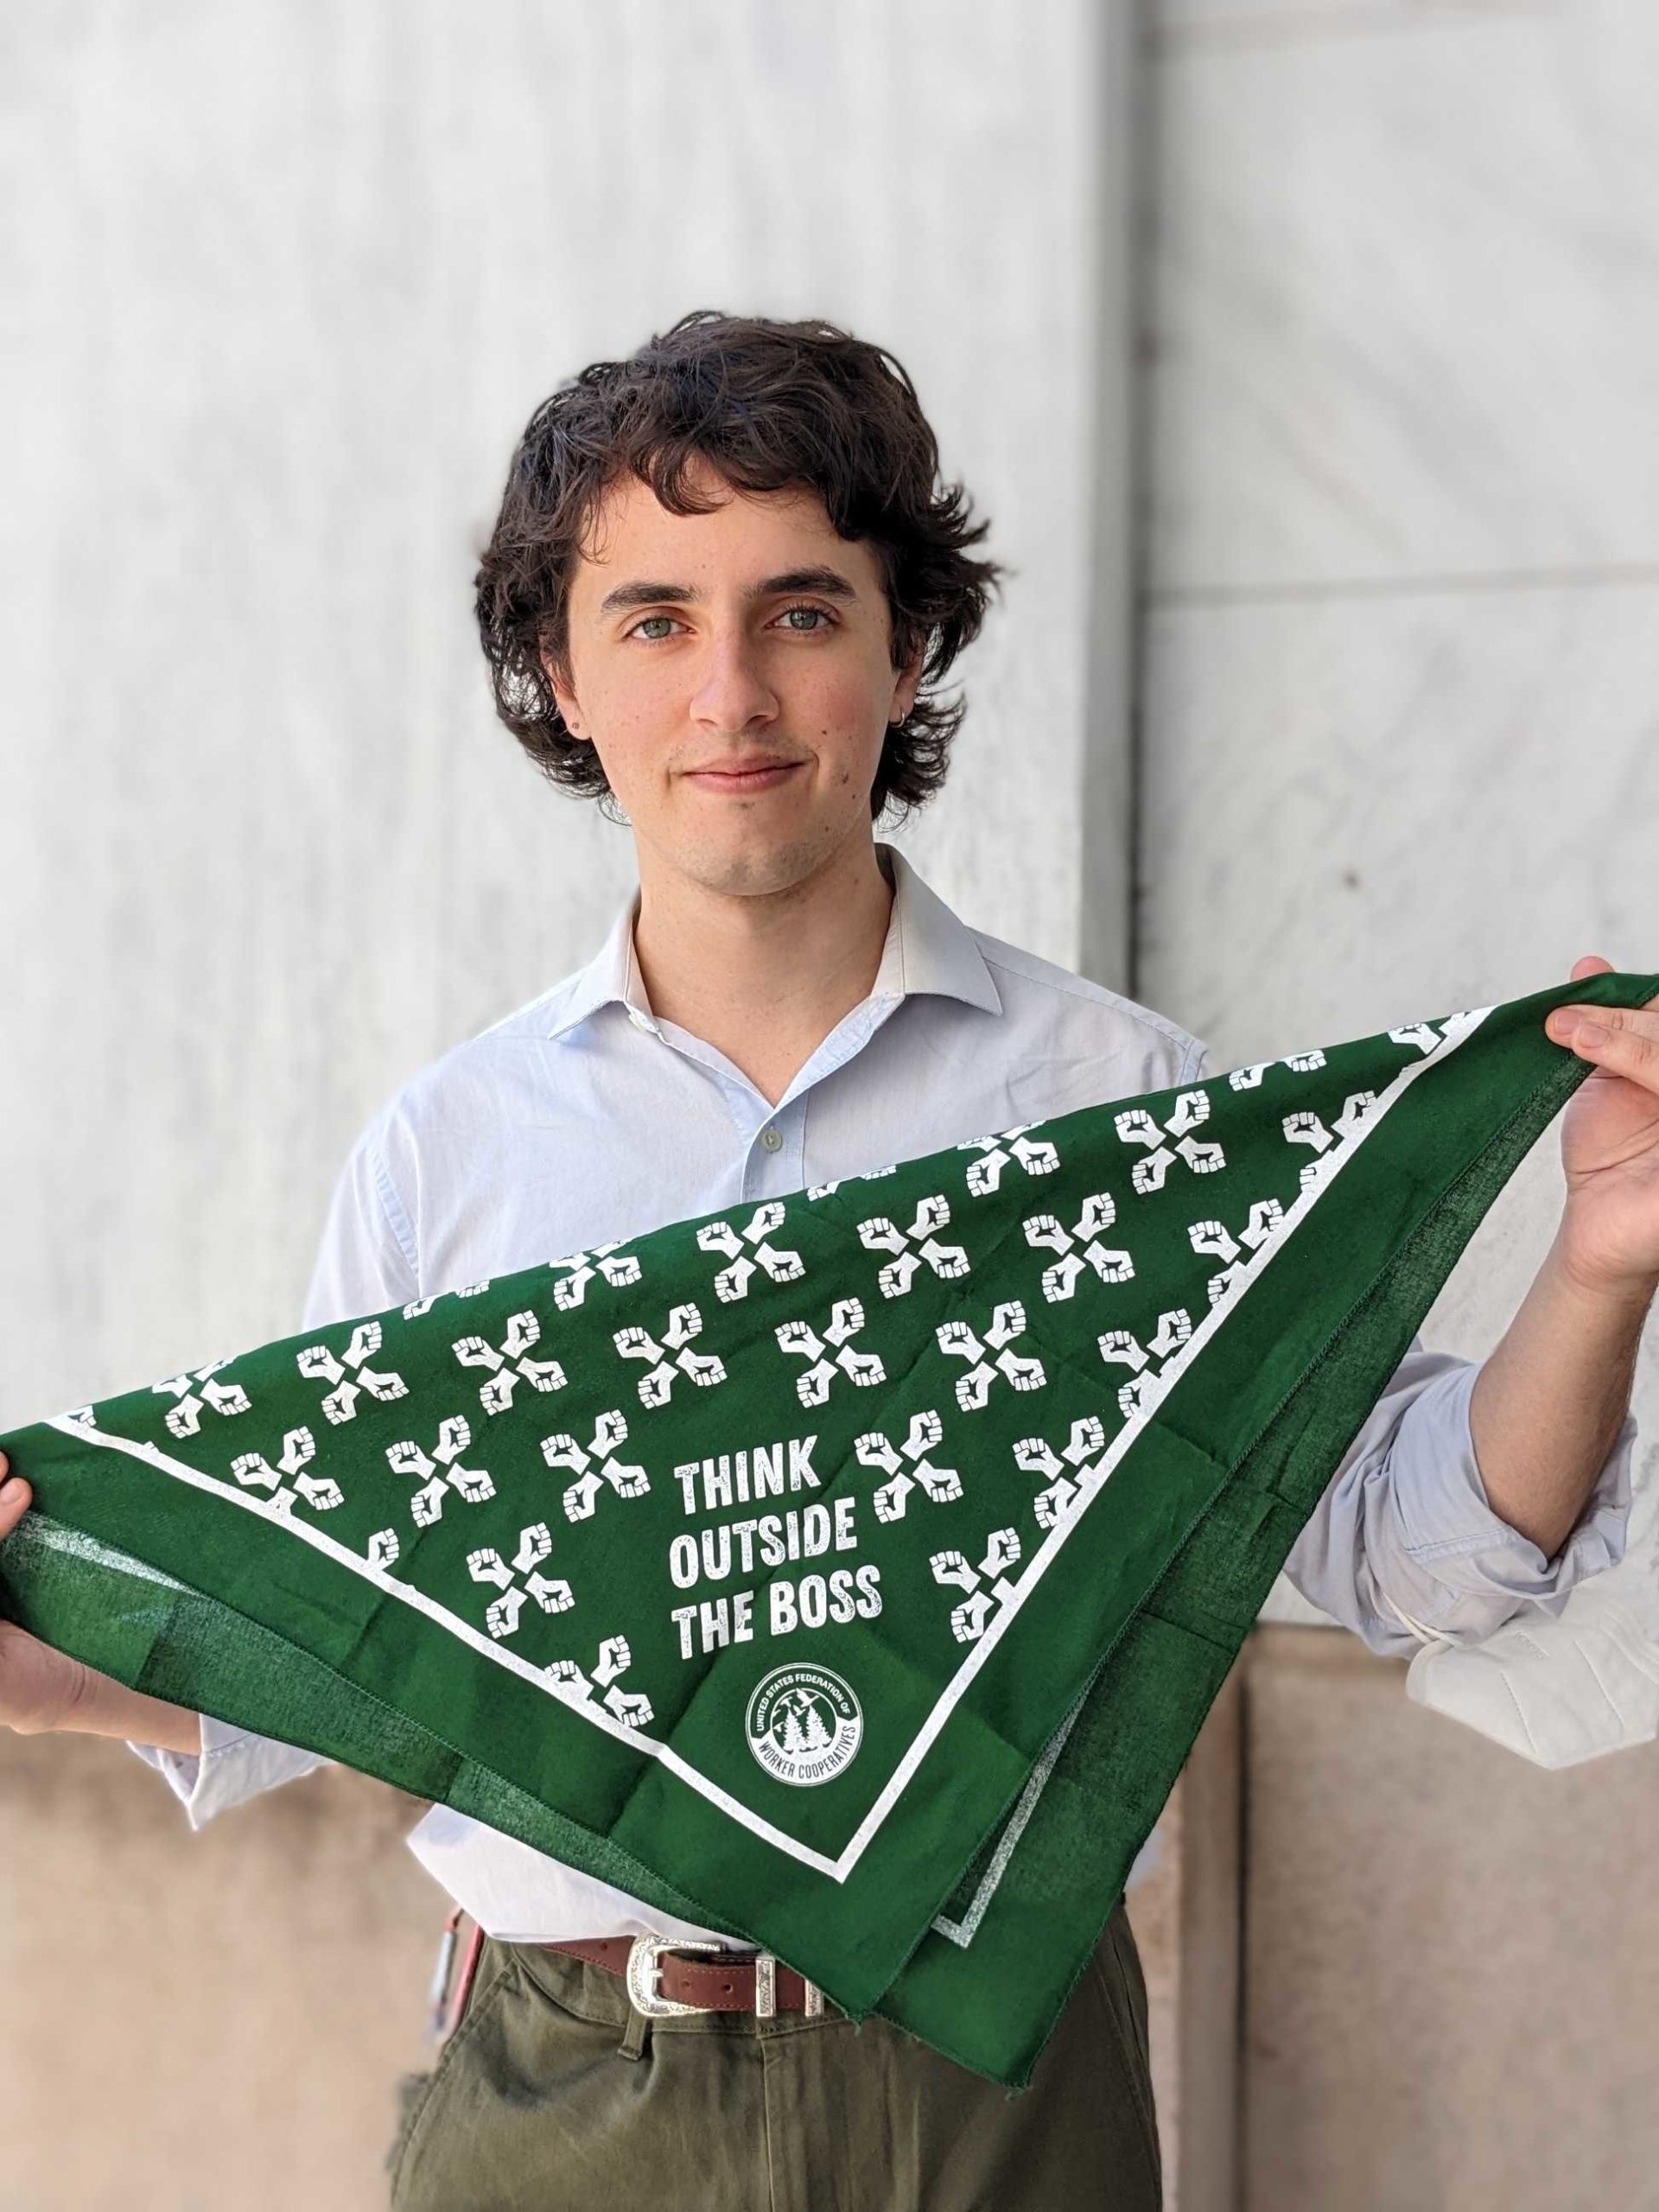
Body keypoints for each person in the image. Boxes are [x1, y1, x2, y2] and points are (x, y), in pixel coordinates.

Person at [2, 309, 1652, 2211]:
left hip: (996, 2094)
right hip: (562, 2094)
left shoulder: (1114, 1099)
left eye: (800, 610)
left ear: (906, 644)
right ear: (560, 673)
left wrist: (1600, 1261)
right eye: (654, 621)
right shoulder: (452, 1154)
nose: (732, 697)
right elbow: (348, 1641)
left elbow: (1405, 1549)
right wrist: (60, 1686)